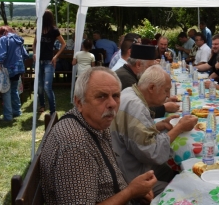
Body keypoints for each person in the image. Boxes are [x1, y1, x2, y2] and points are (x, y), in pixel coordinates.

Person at [40, 67, 156, 204]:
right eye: (101, 96)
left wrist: (134, 191)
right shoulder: (75, 146)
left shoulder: (95, 123)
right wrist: (130, 191)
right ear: (79, 102)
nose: (112, 104)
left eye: (116, 96)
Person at [111, 65, 198, 196]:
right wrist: (179, 128)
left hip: (125, 157)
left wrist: (160, 125)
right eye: (166, 91)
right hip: (127, 174)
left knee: (170, 170)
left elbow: (133, 132)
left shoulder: (130, 91)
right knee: (180, 193)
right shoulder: (136, 107)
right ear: (151, 88)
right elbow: (152, 152)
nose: (168, 95)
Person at [115, 44, 179, 117]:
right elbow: (141, 110)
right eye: (150, 67)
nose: (152, 71)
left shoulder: (131, 73)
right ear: (138, 65)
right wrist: (164, 108)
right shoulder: (126, 79)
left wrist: (163, 100)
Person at [33, 10, 66, 114]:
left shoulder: (54, 30)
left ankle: (52, 110)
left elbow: (63, 44)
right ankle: (42, 106)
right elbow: (34, 44)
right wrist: (34, 53)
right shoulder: (38, 30)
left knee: (47, 86)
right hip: (38, 61)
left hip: (49, 61)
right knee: (40, 86)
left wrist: (55, 56)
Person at [0, 26, 28, 121]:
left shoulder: (4, 39)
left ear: (0, 33)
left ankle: (8, 116)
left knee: (6, 92)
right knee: (14, 90)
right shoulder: (18, 39)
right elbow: (25, 54)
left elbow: (1, 55)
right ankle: (17, 111)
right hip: (18, 68)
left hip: (7, 68)